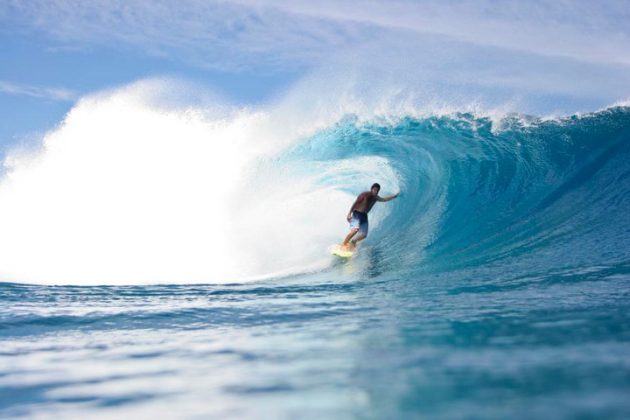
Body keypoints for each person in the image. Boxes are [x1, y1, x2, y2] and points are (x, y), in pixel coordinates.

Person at [342, 183, 399, 251]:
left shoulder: (376, 197)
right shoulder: (365, 194)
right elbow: (355, 203)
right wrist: (349, 213)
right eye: (374, 189)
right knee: (355, 230)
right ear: (371, 189)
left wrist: (394, 196)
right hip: (357, 214)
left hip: (364, 216)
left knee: (363, 235)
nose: (376, 191)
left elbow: (384, 199)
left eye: (377, 190)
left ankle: (353, 241)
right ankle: (343, 244)